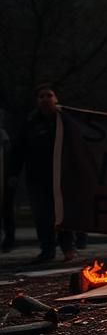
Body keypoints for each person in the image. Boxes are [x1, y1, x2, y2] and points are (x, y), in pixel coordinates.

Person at [12, 84, 75, 264]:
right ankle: (47, 250)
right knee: (42, 216)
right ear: (37, 101)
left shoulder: (66, 120)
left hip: (61, 177)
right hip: (37, 178)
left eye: (49, 95)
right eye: (42, 96)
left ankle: (68, 248)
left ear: (56, 99)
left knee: (63, 214)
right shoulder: (30, 123)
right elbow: (19, 150)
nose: (46, 99)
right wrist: (13, 173)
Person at [0, 110, 16, 252]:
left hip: (4, 178)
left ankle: (9, 239)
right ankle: (8, 239)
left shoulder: (3, 137)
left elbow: (9, 159)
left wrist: (10, 175)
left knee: (6, 210)